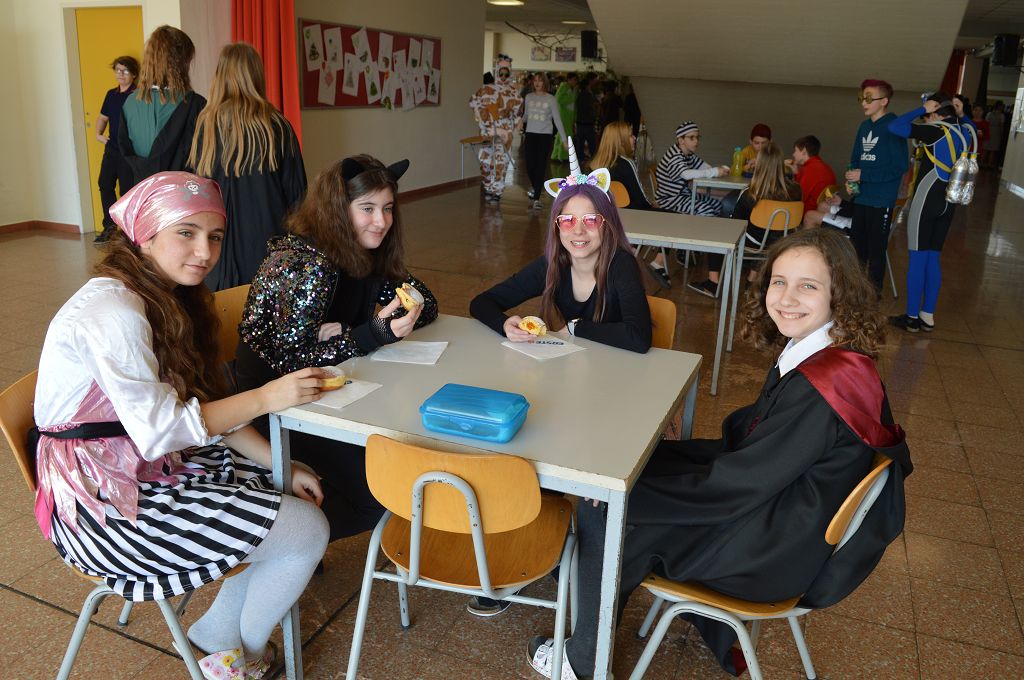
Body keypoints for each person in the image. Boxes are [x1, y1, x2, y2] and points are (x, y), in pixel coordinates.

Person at [526, 228, 911, 680]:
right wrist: (648, 463)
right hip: (785, 513)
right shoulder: (827, 355)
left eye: (808, 285)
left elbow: (740, 481)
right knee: (633, 471)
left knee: (606, 510)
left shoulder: (821, 388)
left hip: (774, 549)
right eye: (779, 281)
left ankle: (582, 663)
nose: (787, 298)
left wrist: (625, 494)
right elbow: (751, 448)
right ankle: (586, 587)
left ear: (838, 295)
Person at [33, 171, 330, 679]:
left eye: (215, 236)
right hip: (101, 507)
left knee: (280, 487)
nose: (205, 251)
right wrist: (267, 396)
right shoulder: (116, 311)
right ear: (145, 234)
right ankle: (238, 655)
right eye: (186, 233)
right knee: (307, 531)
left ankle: (218, 636)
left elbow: (197, 406)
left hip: (134, 464)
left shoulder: (162, 294)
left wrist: (283, 462)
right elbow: (164, 431)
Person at [236, 155, 438, 543]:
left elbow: (426, 301)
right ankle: (282, 544)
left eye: (388, 208)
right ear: (337, 209)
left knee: (404, 447)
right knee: (379, 493)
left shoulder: (366, 251)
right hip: (276, 409)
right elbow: (291, 364)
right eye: (367, 208)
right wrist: (370, 334)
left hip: (335, 393)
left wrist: (353, 331)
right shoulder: (307, 263)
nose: (381, 221)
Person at [471, 139, 652, 356]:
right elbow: (481, 302)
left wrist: (576, 327)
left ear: (607, 224)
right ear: (557, 227)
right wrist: (504, 324)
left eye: (591, 220)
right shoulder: (552, 265)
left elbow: (638, 338)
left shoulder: (621, 265)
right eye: (567, 220)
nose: (578, 231)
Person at [188, 42, 307, 292]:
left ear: (220, 75)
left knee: (222, 309)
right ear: (256, 75)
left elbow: (196, 188)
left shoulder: (205, 126)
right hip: (268, 245)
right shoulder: (277, 126)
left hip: (217, 246)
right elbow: (298, 197)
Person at [886, 93, 968, 333]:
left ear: (935, 112)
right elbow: (968, 125)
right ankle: (927, 316)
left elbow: (895, 126)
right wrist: (959, 113)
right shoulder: (964, 133)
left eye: (928, 115)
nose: (925, 119)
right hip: (948, 202)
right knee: (933, 258)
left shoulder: (936, 130)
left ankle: (912, 317)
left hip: (927, 199)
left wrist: (921, 109)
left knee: (918, 258)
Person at [689, 142, 802, 297]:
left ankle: (713, 282)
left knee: (720, 228)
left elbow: (735, 224)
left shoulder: (751, 193)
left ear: (759, 165)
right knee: (766, 236)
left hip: (754, 242)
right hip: (782, 241)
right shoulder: (796, 191)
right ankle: (751, 280)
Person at [836, 79, 908, 293]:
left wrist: (864, 174)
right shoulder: (864, 126)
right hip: (862, 198)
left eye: (869, 98)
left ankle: (873, 296)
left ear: (884, 101)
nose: (864, 103)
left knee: (876, 252)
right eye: (861, 98)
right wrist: (851, 179)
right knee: (857, 250)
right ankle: (855, 293)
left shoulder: (894, 127)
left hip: (880, 201)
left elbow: (899, 166)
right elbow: (855, 159)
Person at [118, 26, 206, 189]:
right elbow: (206, 161)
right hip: (183, 196)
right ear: (182, 62)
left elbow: (125, 158)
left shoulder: (129, 104)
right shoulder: (195, 105)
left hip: (144, 196)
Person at [592, 121, 673, 286]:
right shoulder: (627, 163)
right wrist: (654, 205)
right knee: (673, 218)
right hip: (634, 218)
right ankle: (657, 263)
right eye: (630, 135)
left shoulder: (596, 166)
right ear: (621, 140)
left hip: (609, 220)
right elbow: (640, 200)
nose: (634, 138)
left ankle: (630, 250)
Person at [93, 55, 139, 244]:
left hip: (129, 151)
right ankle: (110, 228)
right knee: (105, 184)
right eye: (117, 70)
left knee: (127, 190)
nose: (120, 74)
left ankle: (128, 231)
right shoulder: (111, 94)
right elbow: (103, 117)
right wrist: (98, 134)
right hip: (111, 149)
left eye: (125, 71)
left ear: (134, 74)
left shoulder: (138, 95)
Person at [469, 55, 523, 204]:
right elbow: (473, 102)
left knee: (501, 162)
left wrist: (518, 122)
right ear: (497, 72)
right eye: (501, 73)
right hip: (488, 132)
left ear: (509, 73)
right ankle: (488, 186)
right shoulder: (486, 90)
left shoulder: (514, 93)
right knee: (484, 160)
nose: (503, 77)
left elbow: (517, 113)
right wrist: (482, 119)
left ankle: (497, 191)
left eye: (506, 73)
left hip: (505, 133)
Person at [654, 121, 730, 216]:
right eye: (691, 138)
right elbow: (686, 174)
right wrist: (714, 172)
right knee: (707, 210)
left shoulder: (689, 154)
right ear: (681, 140)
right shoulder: (674, 156)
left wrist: (720, 169)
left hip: (684, 194)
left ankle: (706, 225)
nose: (696, 141)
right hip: (669, 199)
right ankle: (696, 225)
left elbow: (705, 167)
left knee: (717, 205)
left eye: (697, 137)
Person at [521, 73, 567, 209]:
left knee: (540, 166)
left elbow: (557, 120)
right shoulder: (528, 97)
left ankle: (536, 198)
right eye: (535, 80)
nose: (537, 83)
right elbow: (526, 115)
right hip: (530, 135)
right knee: (530, 166)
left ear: (544, 83)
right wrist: (520, 121)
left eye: (540, 81)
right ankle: (536, 187)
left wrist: (564, 139)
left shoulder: (551, 99)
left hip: (545, 136)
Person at [787, 135, 837, 228]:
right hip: (823, 212)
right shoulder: (824, 167)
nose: (793, 154)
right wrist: (796, 173)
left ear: (804, 151)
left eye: (795, 150)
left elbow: (798, 197)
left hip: (808, 213)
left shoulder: (810, 169)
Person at [551, 72, 577, 162]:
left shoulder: (571, 89)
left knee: (561, 135)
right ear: (569, 80)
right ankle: (563, 156)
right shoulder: (564, 87)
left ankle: (556, 155)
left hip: (568, 116)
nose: (575, 82)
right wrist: (572, 97)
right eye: (574, 80)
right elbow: (558, 99)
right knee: (566, 135)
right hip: (563, 115)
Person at [574, 73, 598, 161]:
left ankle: (580, 159)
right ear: (588, 85)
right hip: (588, 122)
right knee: (592, 143)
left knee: (580, 143)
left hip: (580, 122)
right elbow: (591, 109)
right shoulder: (588, 95)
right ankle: (594, 159)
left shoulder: (578, 94)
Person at [984, 101, 1005, 168]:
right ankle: (989, 164)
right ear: (999, 106)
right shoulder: (1001, 115)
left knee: (986, 148)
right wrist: (1002, 134)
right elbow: (1001, 126)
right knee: (993, 150)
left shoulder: (989, 113)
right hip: (996, 132)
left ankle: (981, 163)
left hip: (989, 130)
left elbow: (986, 123)